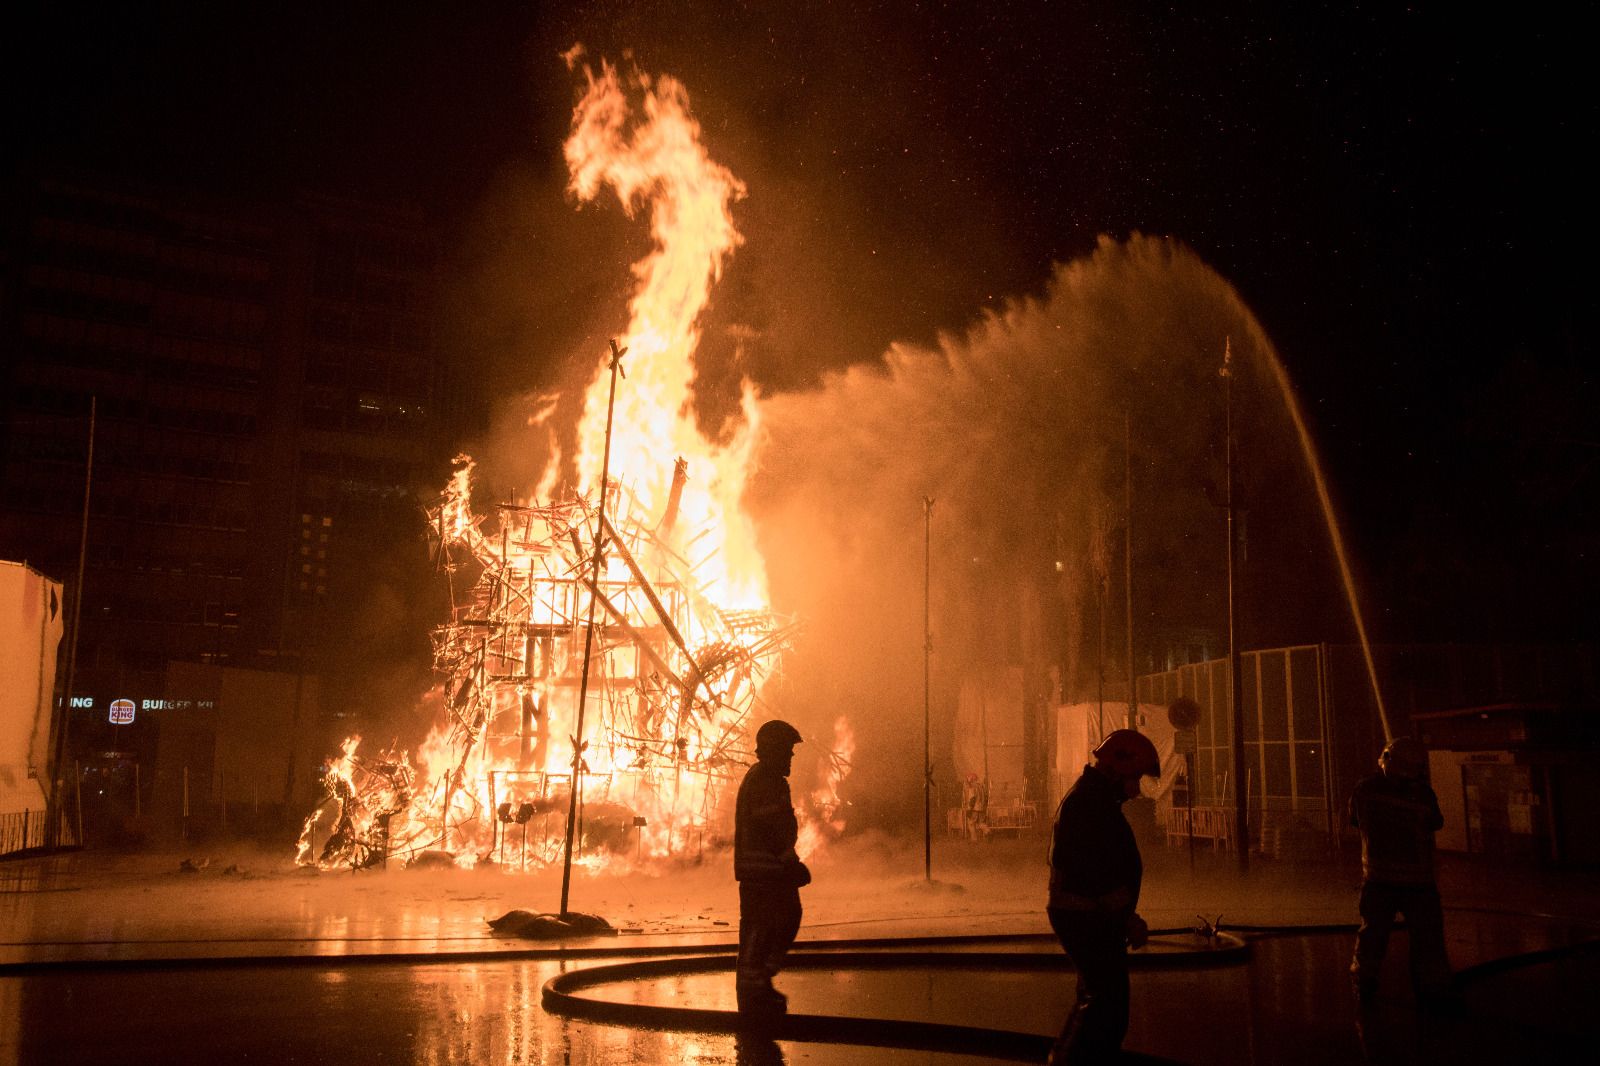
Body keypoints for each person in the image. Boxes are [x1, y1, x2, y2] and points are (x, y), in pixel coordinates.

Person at [1046, 728, 1161, 1065]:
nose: (1136, 788)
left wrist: (1123, 916)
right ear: (1116, 767)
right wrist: (1124, 917)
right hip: (1087, 918)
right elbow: (1092, 871)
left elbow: (1102, 866)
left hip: (1090, 917)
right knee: (1107, 1007)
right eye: (1135, 776)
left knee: (1097, 999)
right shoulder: (1089, 804)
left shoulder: (1094, 800)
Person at [1348, 735, 1453, 1006]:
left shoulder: (1365, 790)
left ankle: (1365, 983)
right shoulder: (1423, 795)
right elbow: (1435, 823)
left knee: (1372, 936)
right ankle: (1431, 990)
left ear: (1387, 760)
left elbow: (1355, 821)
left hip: (1378, 879)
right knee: (1428, 939)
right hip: (1419, 884)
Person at [734, 718, 810, 1016]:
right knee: (764, 927)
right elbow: (772, 827)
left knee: (778, 920)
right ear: (774, 749)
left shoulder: (764, 777)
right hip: (763, 872)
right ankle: (754, 993)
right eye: (788, 750)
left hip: (767, 871)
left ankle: (759, 983)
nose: (791, 756)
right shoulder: (766, 780)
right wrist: (791, 863)